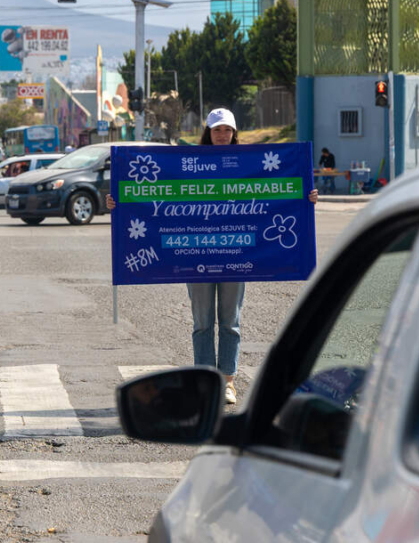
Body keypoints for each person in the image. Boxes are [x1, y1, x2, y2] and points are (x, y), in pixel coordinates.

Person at [107, 108, 317, 405]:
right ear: (208, 132)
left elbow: (282, 194)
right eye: (217, 130)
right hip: (196, 259)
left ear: (234, 133)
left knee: (231, 322)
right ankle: (205, 382)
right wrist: (118, 202)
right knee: (202, 323)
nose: (222, 135)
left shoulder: (250, 163)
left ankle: (228, 382)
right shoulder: (186, 163)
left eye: (227, 130)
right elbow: (144, 192)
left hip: (237, 258)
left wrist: (306, 197)